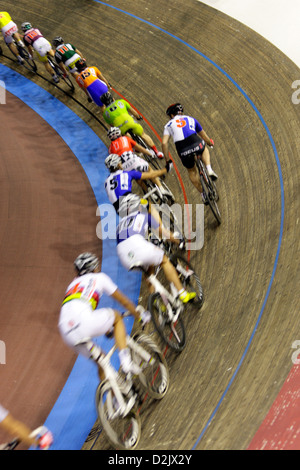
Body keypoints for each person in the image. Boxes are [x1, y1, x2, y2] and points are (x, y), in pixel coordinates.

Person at [58, 253, 151, 380]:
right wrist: (139, 315)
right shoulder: (99, 277)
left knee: (101, 362)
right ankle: (126, 361)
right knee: (117, 317)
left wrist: (106, 329)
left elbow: (82, 314)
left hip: (66, 332)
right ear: (93, 268)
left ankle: (114, 399)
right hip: (84, 322)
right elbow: (123, 301)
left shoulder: (72, 285)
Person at [116, 194, 195, 304]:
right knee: (164, 260)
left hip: (124, 258)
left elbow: (125, 243)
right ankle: (183, 293)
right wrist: (178, 241)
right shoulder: (143, 215)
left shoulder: (119, 226)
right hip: (137, 246)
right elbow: (163, 233)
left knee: (148, 272)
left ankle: (158, 306)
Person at [162, 103, 218, 203]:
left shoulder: (168, 125)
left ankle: (203, 194)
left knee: (191, 171)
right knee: (204, 148)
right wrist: (210, 143)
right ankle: (209, 169)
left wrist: (167, 160)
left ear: (171, 115)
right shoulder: (191, 119)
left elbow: (164, 143)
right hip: (195, 141)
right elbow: (204, 135)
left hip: (182, 149)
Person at [107, 127, 172, 199]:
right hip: (134, 161)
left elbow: (116, 163)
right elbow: (139, 148)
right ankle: (161, 189)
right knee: (150, 170)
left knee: (138, 179)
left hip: (125, 167)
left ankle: (150, 194)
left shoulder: (110, 149)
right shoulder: (125, 138)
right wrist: (149, 154)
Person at [101, 91, 164, 159]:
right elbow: (132, 111)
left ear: (104, 104)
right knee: (143, 135)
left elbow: (112, 125)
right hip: (130, 122)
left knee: (130, 142)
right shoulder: (121, 102)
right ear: (113, 98)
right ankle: (157, 152)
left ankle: (138, 149)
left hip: (121, 128)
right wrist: (138, 117)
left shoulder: (105, 114)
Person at [104, 153, 170, 214]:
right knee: (149, 206)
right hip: (131, 201)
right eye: (120, 163)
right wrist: (165, 170)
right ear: (118, 164)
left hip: (119, 210)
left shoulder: (106, 182)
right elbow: (151, 175)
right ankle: (161, 226)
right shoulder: (126, 173)